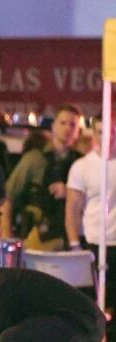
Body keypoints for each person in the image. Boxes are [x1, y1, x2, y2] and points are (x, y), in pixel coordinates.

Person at [1, 104, 82, 250]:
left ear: (78, 131)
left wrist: (70, 193)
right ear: (53, 126)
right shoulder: (34, 159)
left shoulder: (82, 163)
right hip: (38, 241)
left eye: (72, 125)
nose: (67, 128)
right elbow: (7, 198)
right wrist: (6, 239)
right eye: (63, 123)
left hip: (72, 240)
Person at [66, 119, 116, 309]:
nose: (108, 137)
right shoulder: (82, 166)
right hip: (94, 243)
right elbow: (73, 208)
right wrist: (74, 245)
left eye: (113, 131)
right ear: (94, 134)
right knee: (94, 304)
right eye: (102, 131)